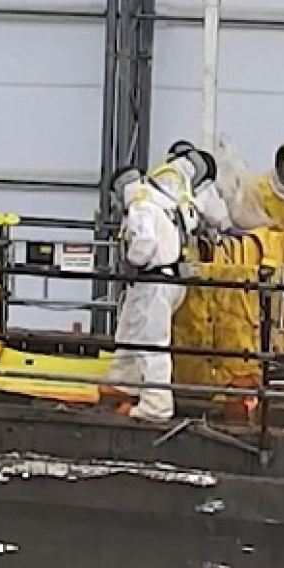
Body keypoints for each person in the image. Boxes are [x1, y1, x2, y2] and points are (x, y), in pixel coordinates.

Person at [104, 166, 189, 421]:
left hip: (153, 281)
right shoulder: (161, 201)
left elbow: (145, 243)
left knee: (150, 343)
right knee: (130, 330)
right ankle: (123, 384)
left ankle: (156, 407)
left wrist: (130, 260)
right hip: (166, 278)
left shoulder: (139, 206)